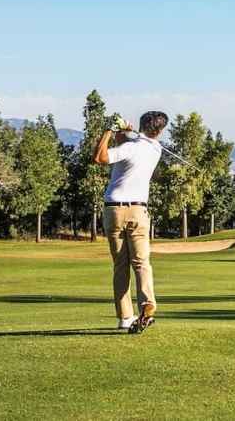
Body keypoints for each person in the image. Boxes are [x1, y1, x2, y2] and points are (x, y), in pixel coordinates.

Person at [94, 110, 168, 333]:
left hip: (114, 211)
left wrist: (109, 129)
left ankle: (125, 316)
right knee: (141, 262)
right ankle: (147, 304)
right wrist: (125, 130)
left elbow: (100, 158)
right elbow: (130, 142)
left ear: (141, 124)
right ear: (160, 130)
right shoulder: (156, 149)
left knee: (121, 266)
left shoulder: (130, 147)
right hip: (138, 211)